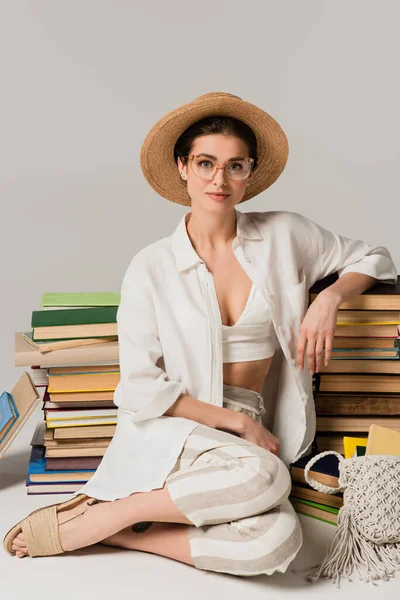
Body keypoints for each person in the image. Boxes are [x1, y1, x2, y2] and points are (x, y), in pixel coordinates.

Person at [3, 92, 397, 577]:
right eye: (206, 163)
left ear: (250, 173)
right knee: (267, 475)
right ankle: (101, 515)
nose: (220, 179)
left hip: (249, 432)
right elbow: (140, 387)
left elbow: (375, 258)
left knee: (277, 544)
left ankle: (126, 531)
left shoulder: (285, 234)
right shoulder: (151, 266)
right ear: (182, 167)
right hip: (178, 428)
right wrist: (236, 424)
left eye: (235, 166)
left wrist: (328, 299)